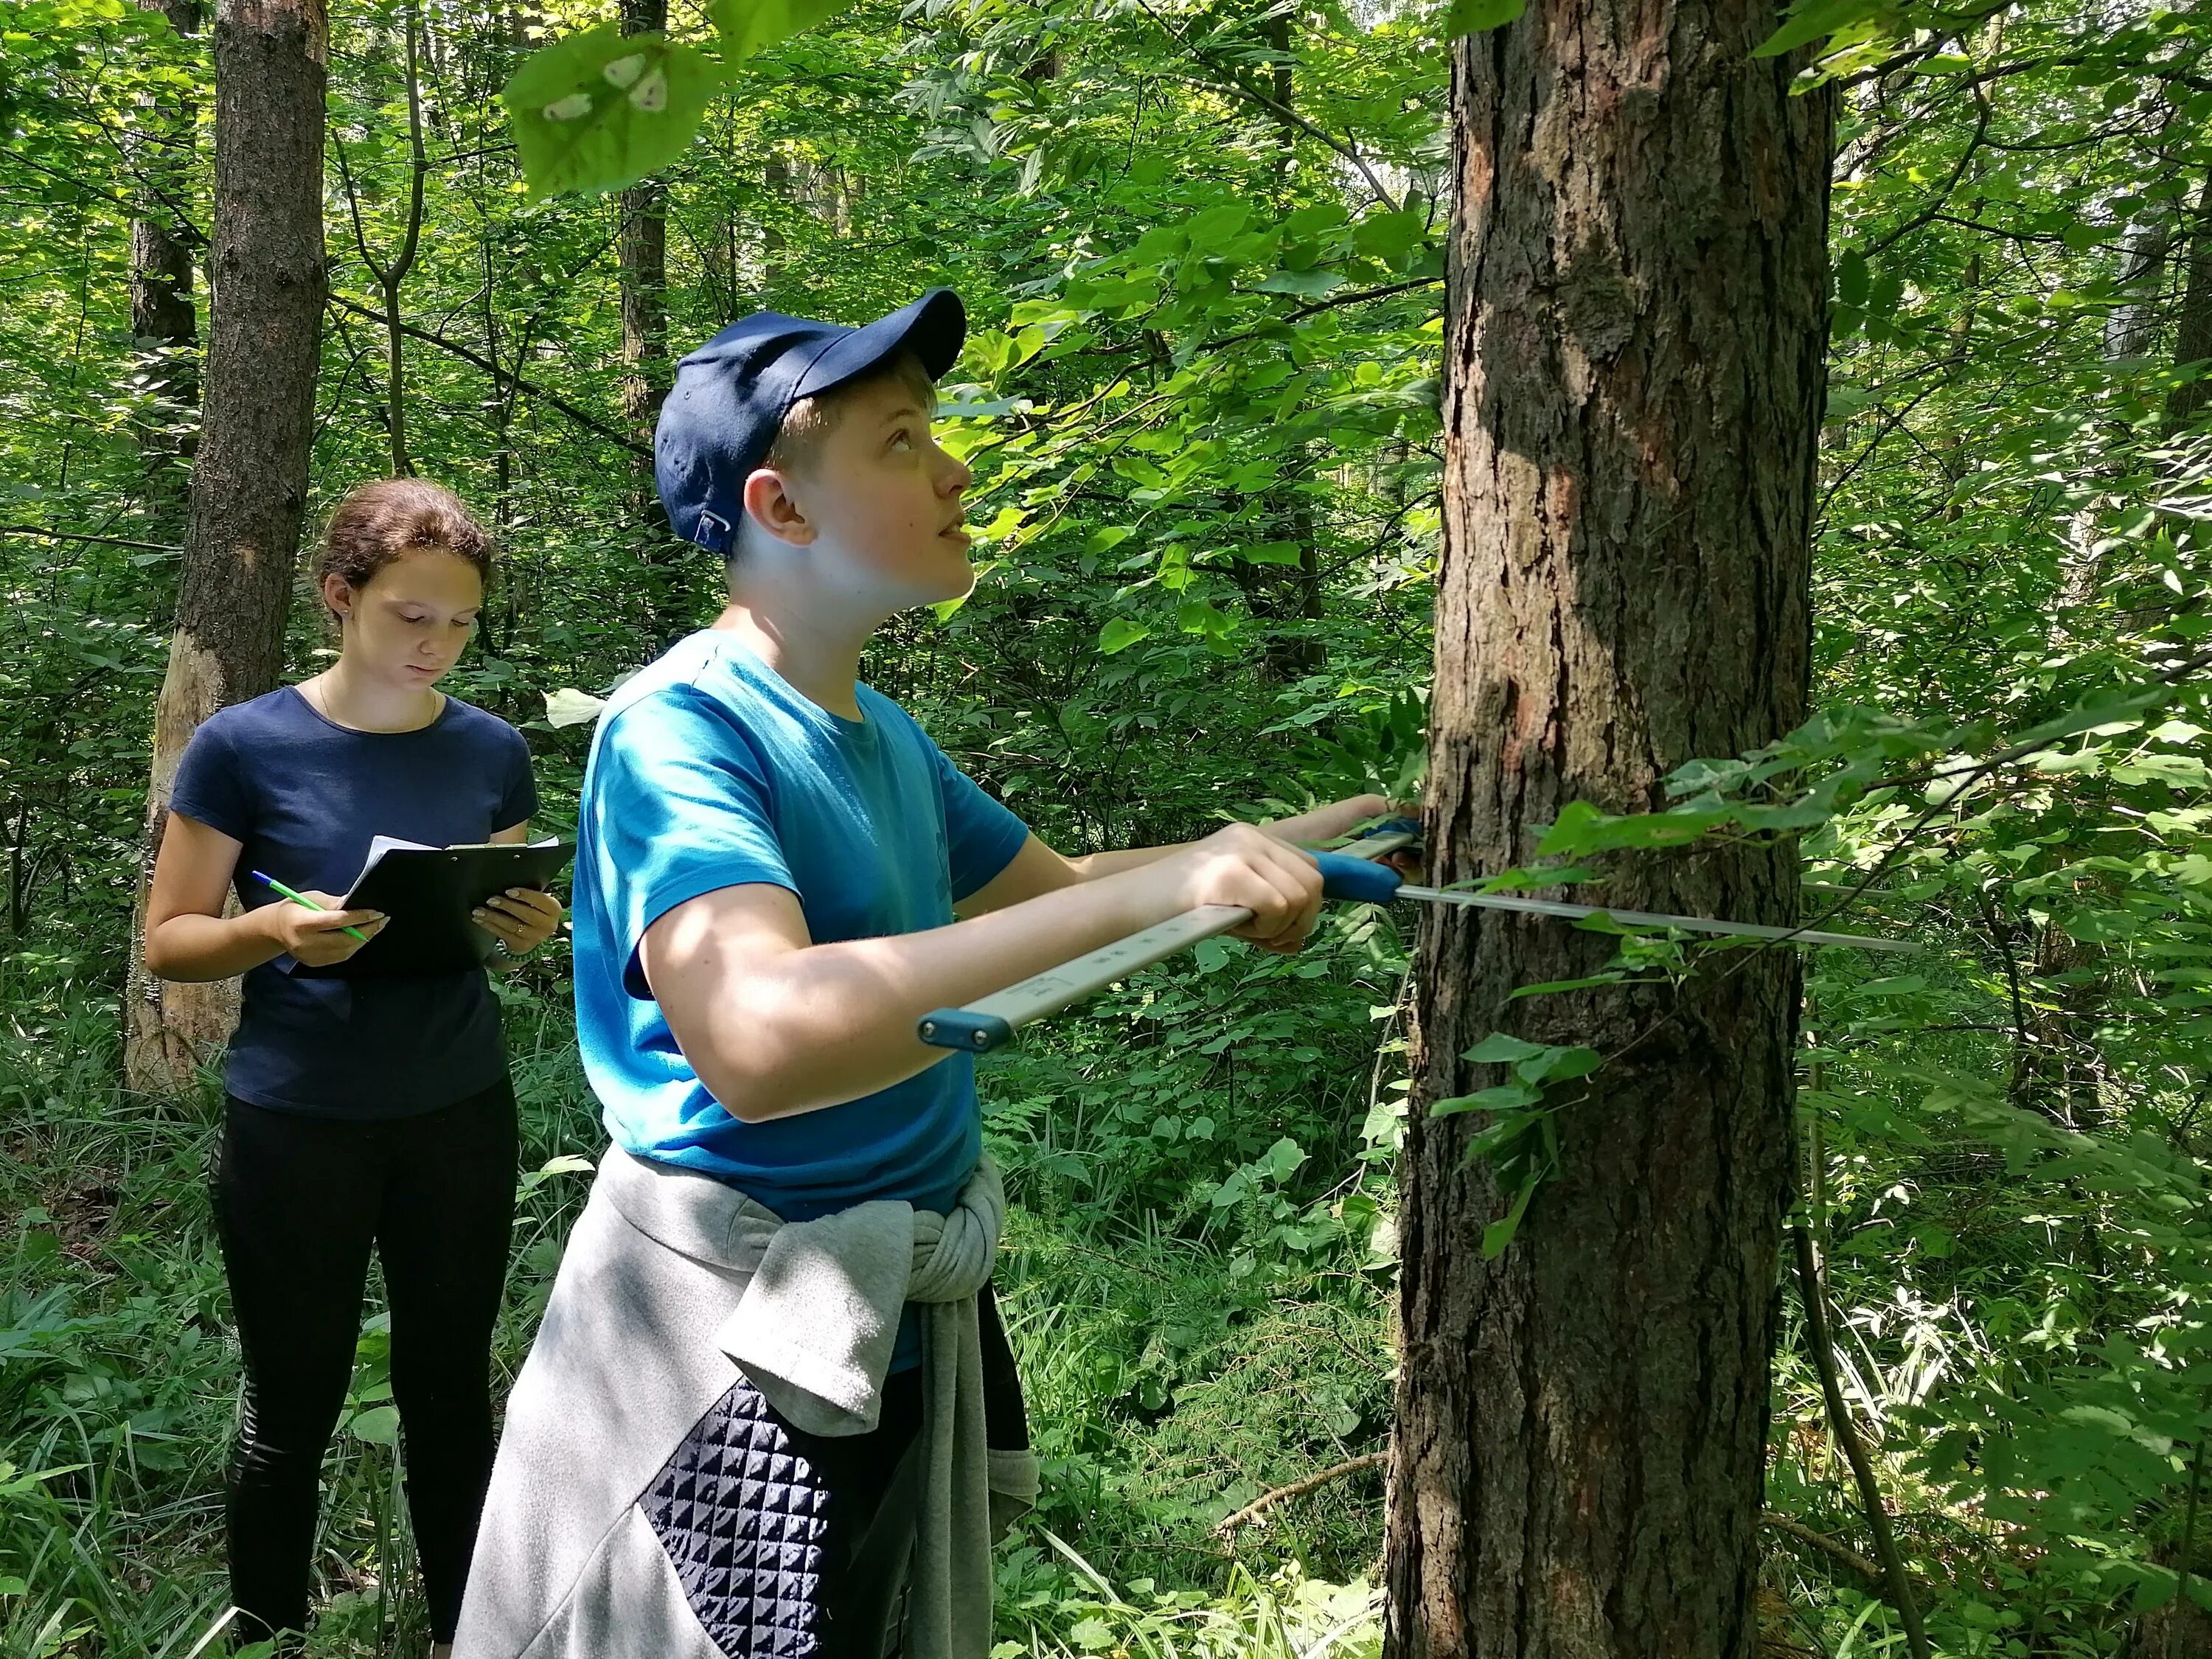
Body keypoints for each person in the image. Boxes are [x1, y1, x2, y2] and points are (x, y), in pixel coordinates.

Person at [453, 290, 1391, 1659]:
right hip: (730, 1351)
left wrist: (1337, 830)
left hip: (884, 1316)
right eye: (902, 442)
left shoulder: (880, 732)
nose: (955, 471)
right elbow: (761, 1037)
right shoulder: (681, 731)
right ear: (780, 508)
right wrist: (1175, 887)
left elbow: (1066, 894)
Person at [142, 479, 566, 1656]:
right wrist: (272, 931)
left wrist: (519, 928)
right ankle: (272, 1631)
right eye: (410, 616)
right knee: (291, 1403)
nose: (436, 645)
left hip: (456, 1110)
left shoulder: (490, 749)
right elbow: (172, 938)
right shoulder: (245, 745)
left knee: (449, 1397)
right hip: (299, 1121)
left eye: (461, 624)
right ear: (342, 597)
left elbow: (480, 913)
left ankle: (468, 1635)